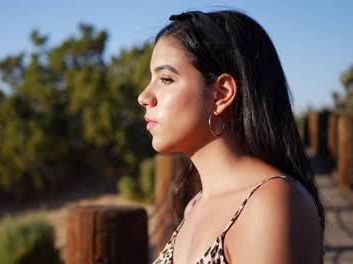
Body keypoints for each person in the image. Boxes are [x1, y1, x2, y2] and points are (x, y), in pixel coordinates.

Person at [137, 10, 325, 264]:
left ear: (221, 94)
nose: (144, 97)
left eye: (166, 79)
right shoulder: (196, 204)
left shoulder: (270, 203)